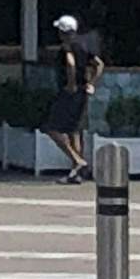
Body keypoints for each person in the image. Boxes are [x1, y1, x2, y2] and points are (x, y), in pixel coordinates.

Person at [41, 12, 98, 181]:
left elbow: (71, 64)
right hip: (82, 92)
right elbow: (98, 64)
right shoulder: (83, 45)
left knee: (52, 128)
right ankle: (76, 173)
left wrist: (71, 83)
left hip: (70, 93)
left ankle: (77, 161)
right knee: (74, 130)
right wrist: (91, 83)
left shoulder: (67, 47)